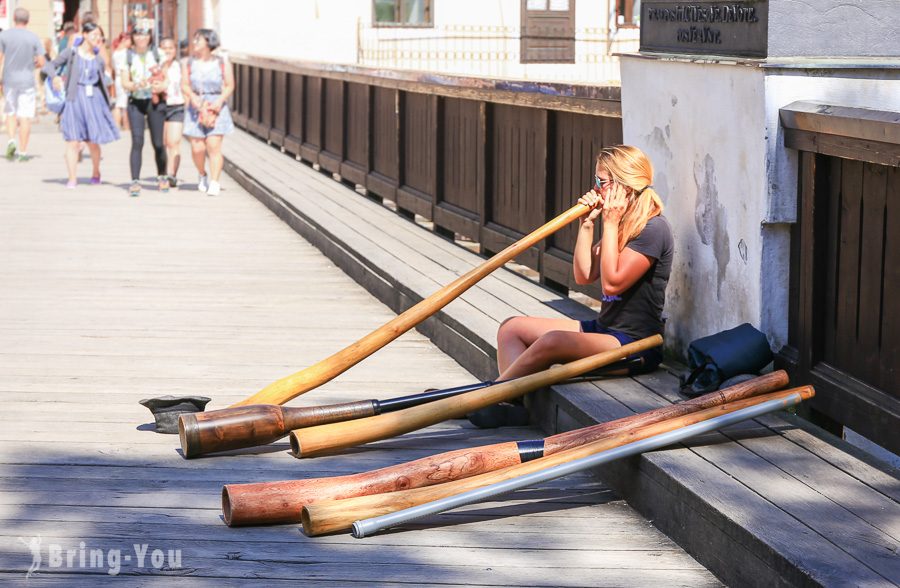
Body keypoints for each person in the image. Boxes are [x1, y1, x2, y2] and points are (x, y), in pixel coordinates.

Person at [471, 145, 674, 427]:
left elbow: (613, 284)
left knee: (555, 340)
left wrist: (611, 223)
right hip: (605, 328)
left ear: (623, 186)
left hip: (634, 345)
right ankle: (512, 401)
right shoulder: (625, 221)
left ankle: (488, 395)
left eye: (601, 182)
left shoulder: (652, 229)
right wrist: (587, 225)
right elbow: (584, 275)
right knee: (512, 327)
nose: (596, 188)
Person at [43, 22, 120, 188]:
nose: (97, 38)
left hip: (94, 101)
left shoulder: (99, 58)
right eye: (94, 34)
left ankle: (96, 171)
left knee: (93, 141)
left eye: (99, 36)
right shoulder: (71, 53)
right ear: (84, 34)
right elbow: (49, 65)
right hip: (74, 99)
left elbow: (105, 80)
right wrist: (55, 77)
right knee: (72, 141)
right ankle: (72, 178)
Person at [181, 28, 233, 196]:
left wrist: (219, 101)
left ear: (208, 42)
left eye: (198, 39)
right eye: (194, 40)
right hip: (196, 106)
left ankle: (215, 181)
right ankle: (202, 173)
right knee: (197, 147)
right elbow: (185, 85)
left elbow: (230, 85)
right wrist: (192, 97)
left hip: (216, 106)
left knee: (213, 145)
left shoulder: (222, 62)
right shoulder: (188, 63)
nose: (194, 43)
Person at [120, 26, 167, 197]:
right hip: (135, 101)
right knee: (137, 141)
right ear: (133, 37)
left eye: (145, 34)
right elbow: (124, 82)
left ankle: (162, 175)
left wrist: (160, 85)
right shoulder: (127, 55)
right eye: (138, 34)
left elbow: (166, 78)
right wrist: (135, 85)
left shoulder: (158, 54)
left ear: (150, 36)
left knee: (158, 143)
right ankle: (135, 181)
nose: (141, 37)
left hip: (155, 101)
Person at [0, 8, 46, 161]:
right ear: (28, 20)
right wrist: (32, 64)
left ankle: (11, 140)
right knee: (25, 116)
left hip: (9, 80)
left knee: (11, 112)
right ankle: (23, 152)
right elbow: (41, 61)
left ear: (14, 18)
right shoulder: (33, 37)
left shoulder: (4, 36)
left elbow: (0, 58)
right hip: (27, 81)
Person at [159, 37, 184, 189]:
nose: (167, 51)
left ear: (175, 50)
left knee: (173, 142)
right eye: (164, 48)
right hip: (159, 106)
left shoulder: (180, 66)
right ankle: (162, 172)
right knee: (162, 143)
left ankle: (171, 174)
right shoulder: (154, 65)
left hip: (177, 105)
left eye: (170, 48)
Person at [110, 32, 132, 130]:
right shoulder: (126, 52)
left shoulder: (116, 52)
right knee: (124, 104)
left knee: (119, 102)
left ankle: (117, 125)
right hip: (124, 78)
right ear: (125, 40)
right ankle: (126, 126)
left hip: (118, 78)